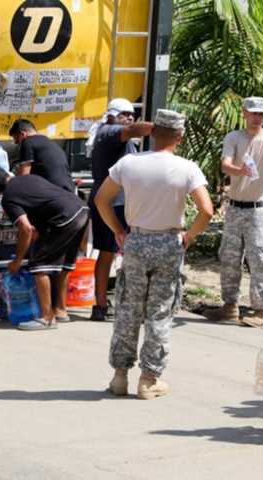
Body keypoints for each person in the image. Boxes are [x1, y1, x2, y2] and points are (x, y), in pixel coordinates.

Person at [94, 109, 213, 400]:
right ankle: (149, 379)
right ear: (180, 137)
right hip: (169, 243)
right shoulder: (187, 168)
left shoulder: (129, 163)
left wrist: (119, 231)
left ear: (152, 132)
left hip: (137, 239)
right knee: (159, 311)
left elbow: (101, 199)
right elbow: (207, 210)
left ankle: (119, 376)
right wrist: (189, 236)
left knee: (128, 308)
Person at [204, 97, 263, 328]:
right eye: (253, 113)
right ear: (244, 113)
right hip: (235, 206)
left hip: (259, 208)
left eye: (261, 114)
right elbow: (225, 164)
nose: (257, 117)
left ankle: (262, 310)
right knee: (230, 257)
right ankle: (229, 306)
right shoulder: (234, 137)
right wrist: (239, 170)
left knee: (261, 258)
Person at [0, 167, 90, 330]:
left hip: (65, 216)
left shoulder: (9, 197)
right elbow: (42, 205)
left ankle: (47, 318)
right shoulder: (29, 177)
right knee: (64, 265)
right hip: (81, 209)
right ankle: (60, 311)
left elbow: (25, 229)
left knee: (39, 266)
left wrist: (17, 260)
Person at [86, 98, 154, 322]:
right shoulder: (109, 130)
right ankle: (101, 305)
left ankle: (113, 303)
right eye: (125, 114)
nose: (130, 117)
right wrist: (162, 128)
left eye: (132, 113)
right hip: (111, 203)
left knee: (119, 253)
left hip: (122, 202)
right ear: (111, 115)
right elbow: (135, 129)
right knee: (107, 253)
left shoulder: (117, 135)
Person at [9, 118, 76, 322]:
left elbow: (24, 176)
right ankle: (61, 309)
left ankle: (46, 314)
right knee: (63, 262)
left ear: (23, 134)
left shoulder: (29, 142)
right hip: (73, 202)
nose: (17, 145)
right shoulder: (52, 145)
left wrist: (14, 190)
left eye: (15, 140)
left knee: (41, 263)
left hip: (53, 209)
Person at [9, 119, 74, 192]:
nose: (17, 143)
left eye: (17, 140)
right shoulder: (49, 142)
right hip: (69, 190)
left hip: (52, 193)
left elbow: (24, 177)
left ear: (23, 134)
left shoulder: (27, 142)